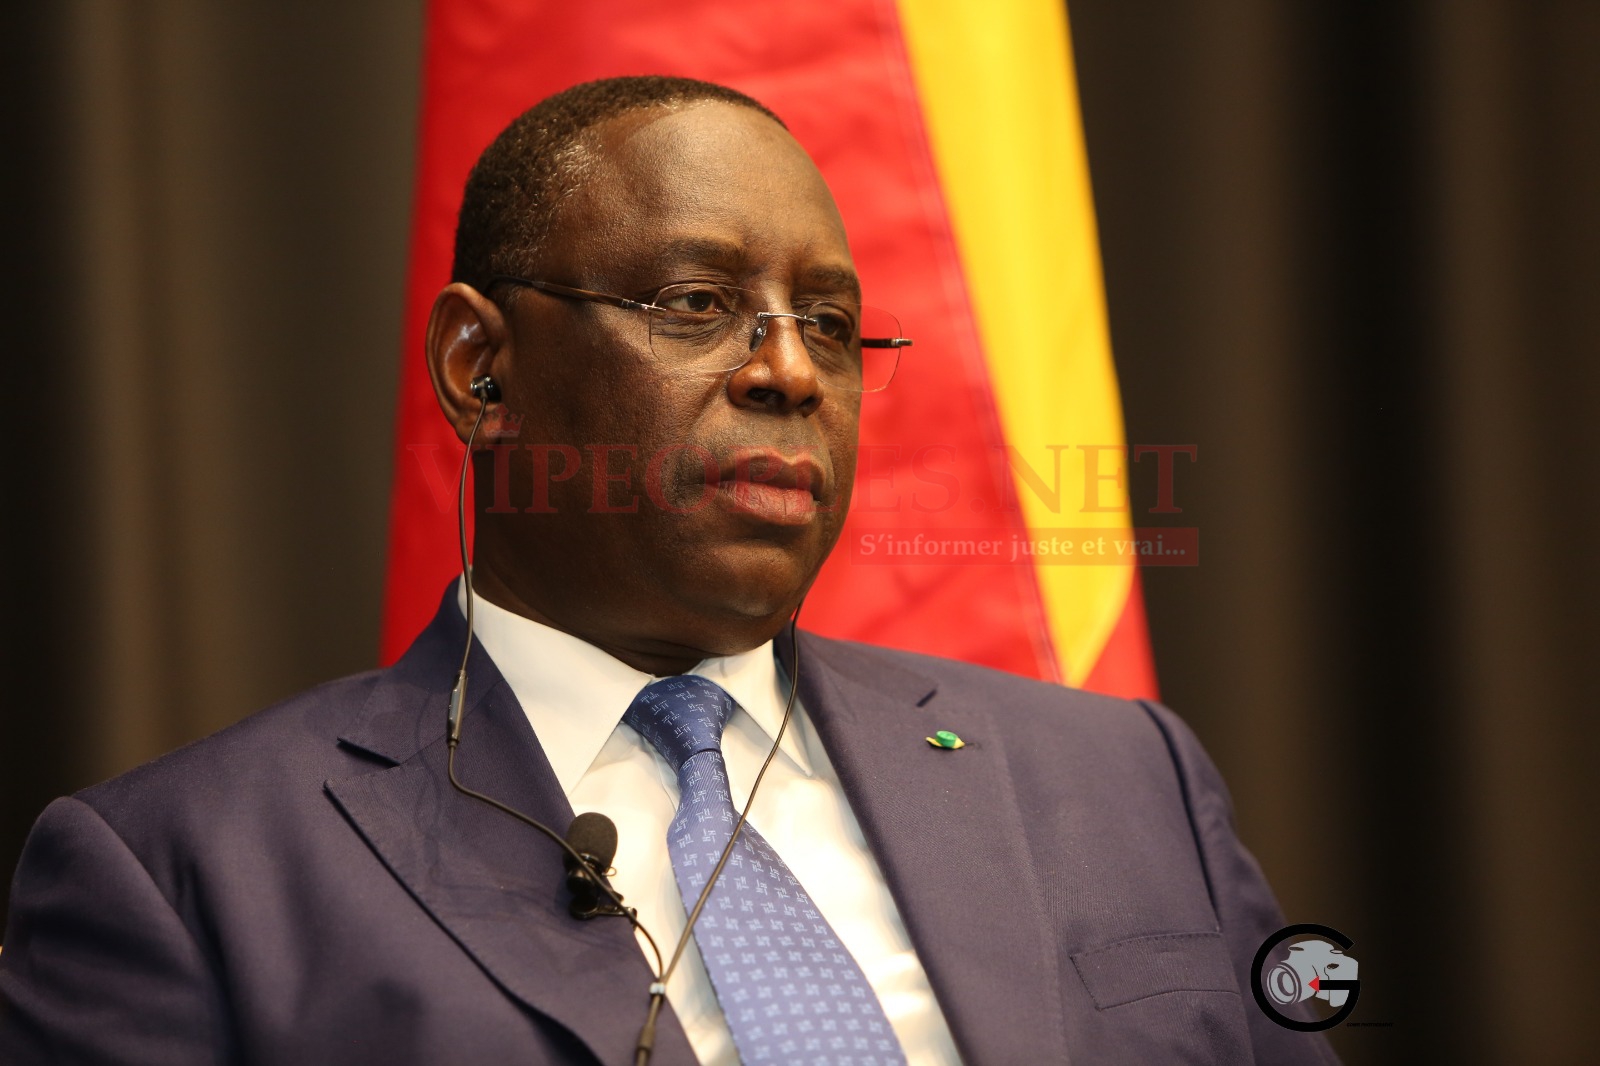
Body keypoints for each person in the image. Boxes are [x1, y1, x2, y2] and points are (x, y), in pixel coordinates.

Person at [0, 76, 1336, 1065]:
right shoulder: (184, 877)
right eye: (696, 305)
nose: (790, 370)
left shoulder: (1123, 778)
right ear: (482, 369)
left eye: (829, 322)